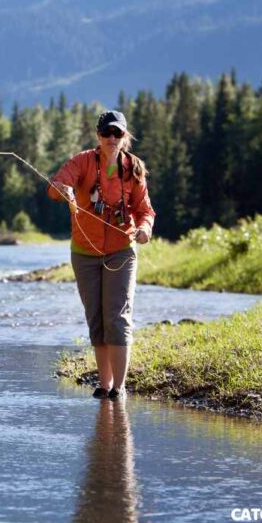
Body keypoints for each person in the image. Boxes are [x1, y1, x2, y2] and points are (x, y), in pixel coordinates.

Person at [47, 110, 155, 401]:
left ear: (125, 137)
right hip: (84, 252)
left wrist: (144, 229)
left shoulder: (133, 169)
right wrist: (65, 190)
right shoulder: (81, 161)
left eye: (117, 133)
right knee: (96, 319)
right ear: (98, 136)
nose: (111, 138)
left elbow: (145, 211)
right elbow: (57, 186)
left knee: (117, 318)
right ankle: (104, 385)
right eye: (106, 133)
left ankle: (119, 388)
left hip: (121, 250)